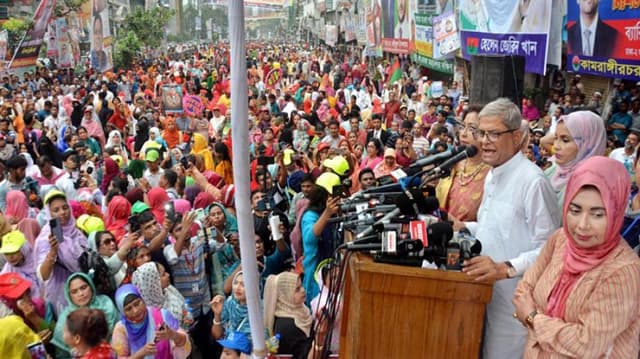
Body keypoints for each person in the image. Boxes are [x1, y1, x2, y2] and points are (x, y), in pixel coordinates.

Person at [457, 98, 561, 359]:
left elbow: (550, 249)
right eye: (481, 133)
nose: (484, 141)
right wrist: (463, 226)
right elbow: (497, 228)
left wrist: (505, 268)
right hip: (483, 292)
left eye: (494, 133)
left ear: (516, 137)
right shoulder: (492, 174)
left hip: (515, 303)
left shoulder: (533, 182)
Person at [513, 156, 640, 358]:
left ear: (616, 212)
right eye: (575, 210)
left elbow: (587, 343)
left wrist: (533, 318)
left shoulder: (624, 271)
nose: (582, 225)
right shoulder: (561, 239)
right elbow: (524, 290)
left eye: (597, 214)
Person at [34, 190, 89, 314]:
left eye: (65, 208)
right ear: (49, 213)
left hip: (83, 287)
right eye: (56, 210)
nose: (62, 213)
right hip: (62, 292)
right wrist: (53, 252)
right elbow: (43, 275)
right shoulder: (46, 238)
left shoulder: (76, 231)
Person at [436, 106, 490, 221]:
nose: (463, 134)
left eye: (471, 128)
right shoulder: (453, 163)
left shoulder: (492, 173)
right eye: (462, 127)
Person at [544, 111, 607, 207]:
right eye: (556, 138)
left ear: (588, 143)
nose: (556, 146)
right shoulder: (555, 169)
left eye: (565, 140)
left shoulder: (590, 186)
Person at [111, 284, 191, 359]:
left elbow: (185, 346)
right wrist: (141, 353)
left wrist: (173, 335)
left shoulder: (162, 315)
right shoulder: (121, 329)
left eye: (137, 303)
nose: (135, 311)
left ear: (142, 299)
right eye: (129, 309)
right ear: (122, 312)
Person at [51, 272, 119, 358]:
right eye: (74, 292)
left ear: (91, 286)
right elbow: (62, 353)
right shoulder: (65, 318)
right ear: (69, 295)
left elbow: (119, 331)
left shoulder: (106, 303)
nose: (81, 294)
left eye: (83, 288)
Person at [263, 272, 314, 359]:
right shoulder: (288, 325)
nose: (303, 290)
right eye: (297, 289)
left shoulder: (301, 310)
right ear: (284, 295)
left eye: (301, 286)